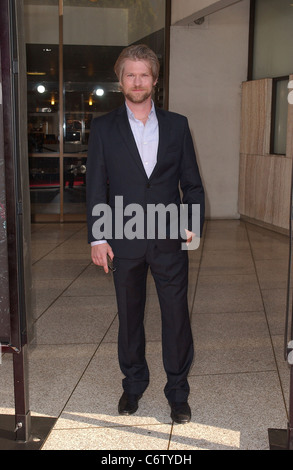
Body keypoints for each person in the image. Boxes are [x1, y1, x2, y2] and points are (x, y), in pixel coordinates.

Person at [86, 44, 205, 424]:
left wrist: (193, 224)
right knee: (129, 317)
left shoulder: (177, 125)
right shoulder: (104, 128)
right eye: (130, 74)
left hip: (169, 238)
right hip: (123, 238)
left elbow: (193, 185)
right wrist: (97, 237)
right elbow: (95, 188)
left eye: (144, 74)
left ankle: (178, 393)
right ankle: (133, 385)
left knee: (176, 318)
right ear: (120, 80)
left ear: (155, 79)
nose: (137, 81)